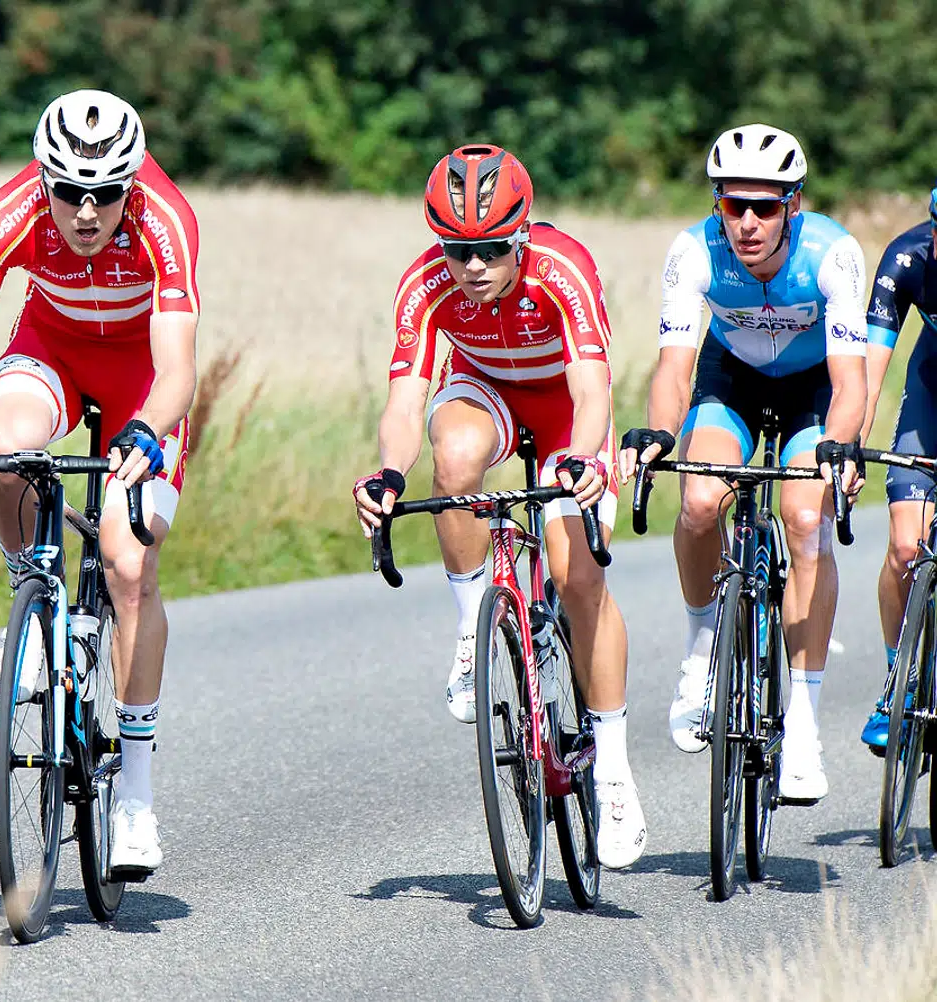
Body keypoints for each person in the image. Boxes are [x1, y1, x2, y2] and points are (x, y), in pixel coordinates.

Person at [0, 90, 199, 879]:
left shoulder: (165, 222)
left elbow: (178, 369)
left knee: (129, 567)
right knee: (7, 443)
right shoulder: (10, 212)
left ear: (132, 183)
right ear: (44, 183)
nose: (87, 211)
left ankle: (134, 795)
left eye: (106, 193)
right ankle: (31, 601)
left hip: (142, 380)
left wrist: (145, 431)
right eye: (69, 192)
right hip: (53, 352)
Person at [353, 145, 646, 869]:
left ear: (519, 238)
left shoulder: (562, 268)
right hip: (486, 394)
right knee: (451, 459)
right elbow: (404, 401)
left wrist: (582, 457)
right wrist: (389, 472)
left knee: (579, 580)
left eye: (489, 250)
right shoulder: (425, 285)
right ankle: (471, 626)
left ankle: (611, 768)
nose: (472, 266)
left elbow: (592, 390)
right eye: (458, 250)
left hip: (566, 414)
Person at [618, 124, 866, 802]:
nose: (748, 223)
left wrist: (838, 450)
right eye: (734, 206)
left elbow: (852, 383)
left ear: (793, 204)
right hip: (731, 380)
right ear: (717, 204)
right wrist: (659, 435)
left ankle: (806, 724)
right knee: (700, 503)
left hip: (814, 386)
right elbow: (674, 366)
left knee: (804, 515)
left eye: (765, 206)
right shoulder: (694, 250)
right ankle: (701, 652)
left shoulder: (832, 253)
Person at [856, 184, 937, 751]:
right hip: (932, 392)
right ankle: (899, 681)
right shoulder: (906, 258)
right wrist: (849, 449)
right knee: (906, 547)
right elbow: (868, 371)